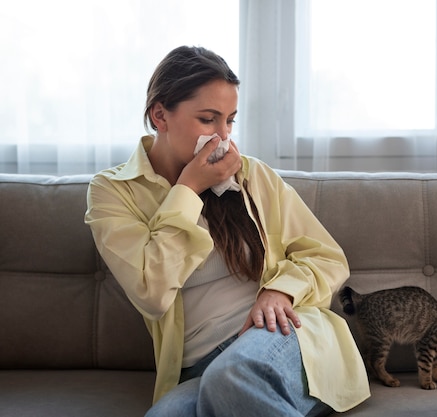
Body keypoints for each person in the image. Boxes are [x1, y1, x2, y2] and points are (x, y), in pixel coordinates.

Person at [84, 45, 370, 417]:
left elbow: (327, 257)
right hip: (197, 367)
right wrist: (188, 190)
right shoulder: (113, 191)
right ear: (160, 115)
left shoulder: (252, 175)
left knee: (232, 376)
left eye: (230, 121)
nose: (222, 136)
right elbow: (151, 293)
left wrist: (280, 290)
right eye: (208, 119)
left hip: (281, 337)